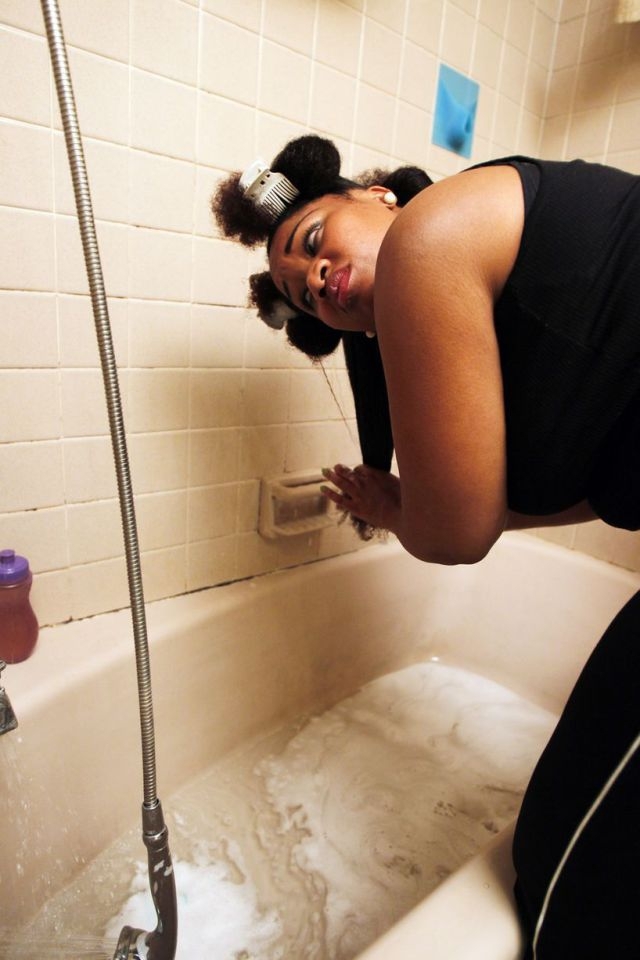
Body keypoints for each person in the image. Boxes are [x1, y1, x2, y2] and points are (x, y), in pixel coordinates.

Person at [212, 135, 640, 958]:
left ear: (374, 195)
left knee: (568, 869)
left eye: (311, 242)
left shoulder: (429, 236)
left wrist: (412, 512)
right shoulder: (494, 301)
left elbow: (456, 537)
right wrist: (418, 504)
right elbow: (602, 489)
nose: (317, 282)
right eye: (305, 298)